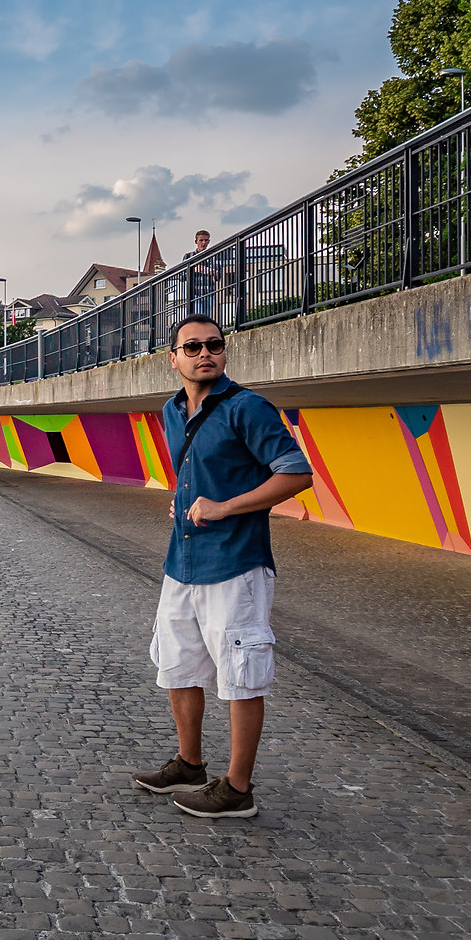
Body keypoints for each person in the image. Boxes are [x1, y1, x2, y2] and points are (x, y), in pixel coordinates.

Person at [131, 313, 314, 820]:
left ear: (224, 353)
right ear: (173, 359)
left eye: (214, 345)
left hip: (236, 563)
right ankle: (190, 764)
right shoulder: (171, 411)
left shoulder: (247, 407)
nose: (204, 353)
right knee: (178, 664)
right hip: (182, 560)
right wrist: (184, 498)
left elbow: (296, 473)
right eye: (192, 347)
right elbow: (197, 471)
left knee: (241, 673)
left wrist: (225, 506)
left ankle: (236, 789)